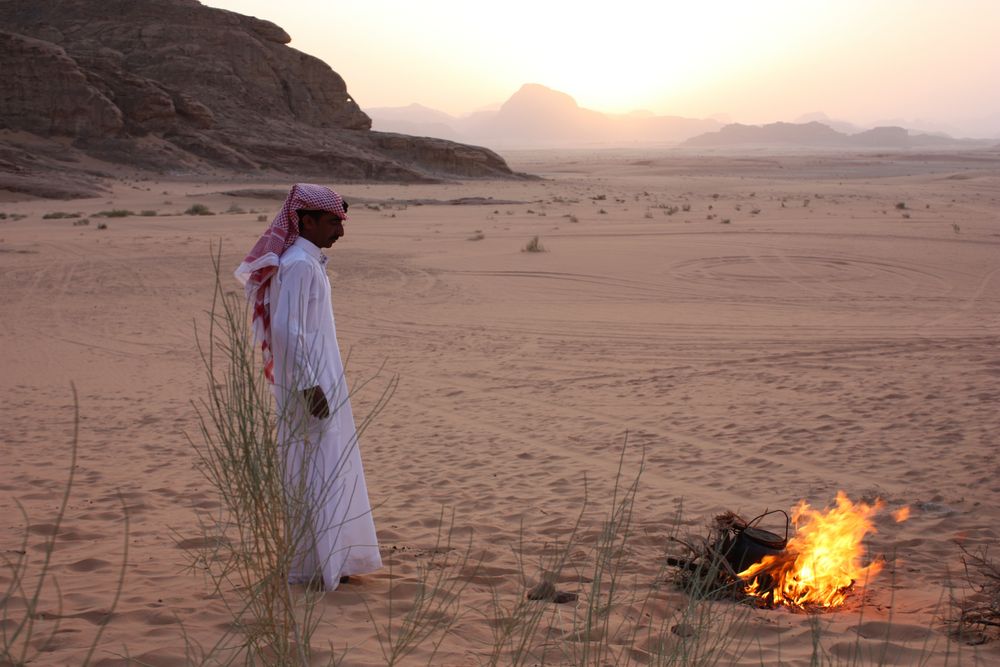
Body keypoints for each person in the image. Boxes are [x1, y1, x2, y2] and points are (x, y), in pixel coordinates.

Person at [235, 183, 382, 591]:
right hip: (311, 384)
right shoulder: (299, 264)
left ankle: (326, 561)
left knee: (323, 466)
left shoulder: (304, 260)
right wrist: (308, 385)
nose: (339, 231)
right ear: (307, 220)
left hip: (315, 378)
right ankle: (317, 566)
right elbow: (285, 328)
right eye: (334, 221)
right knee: (318, 466)